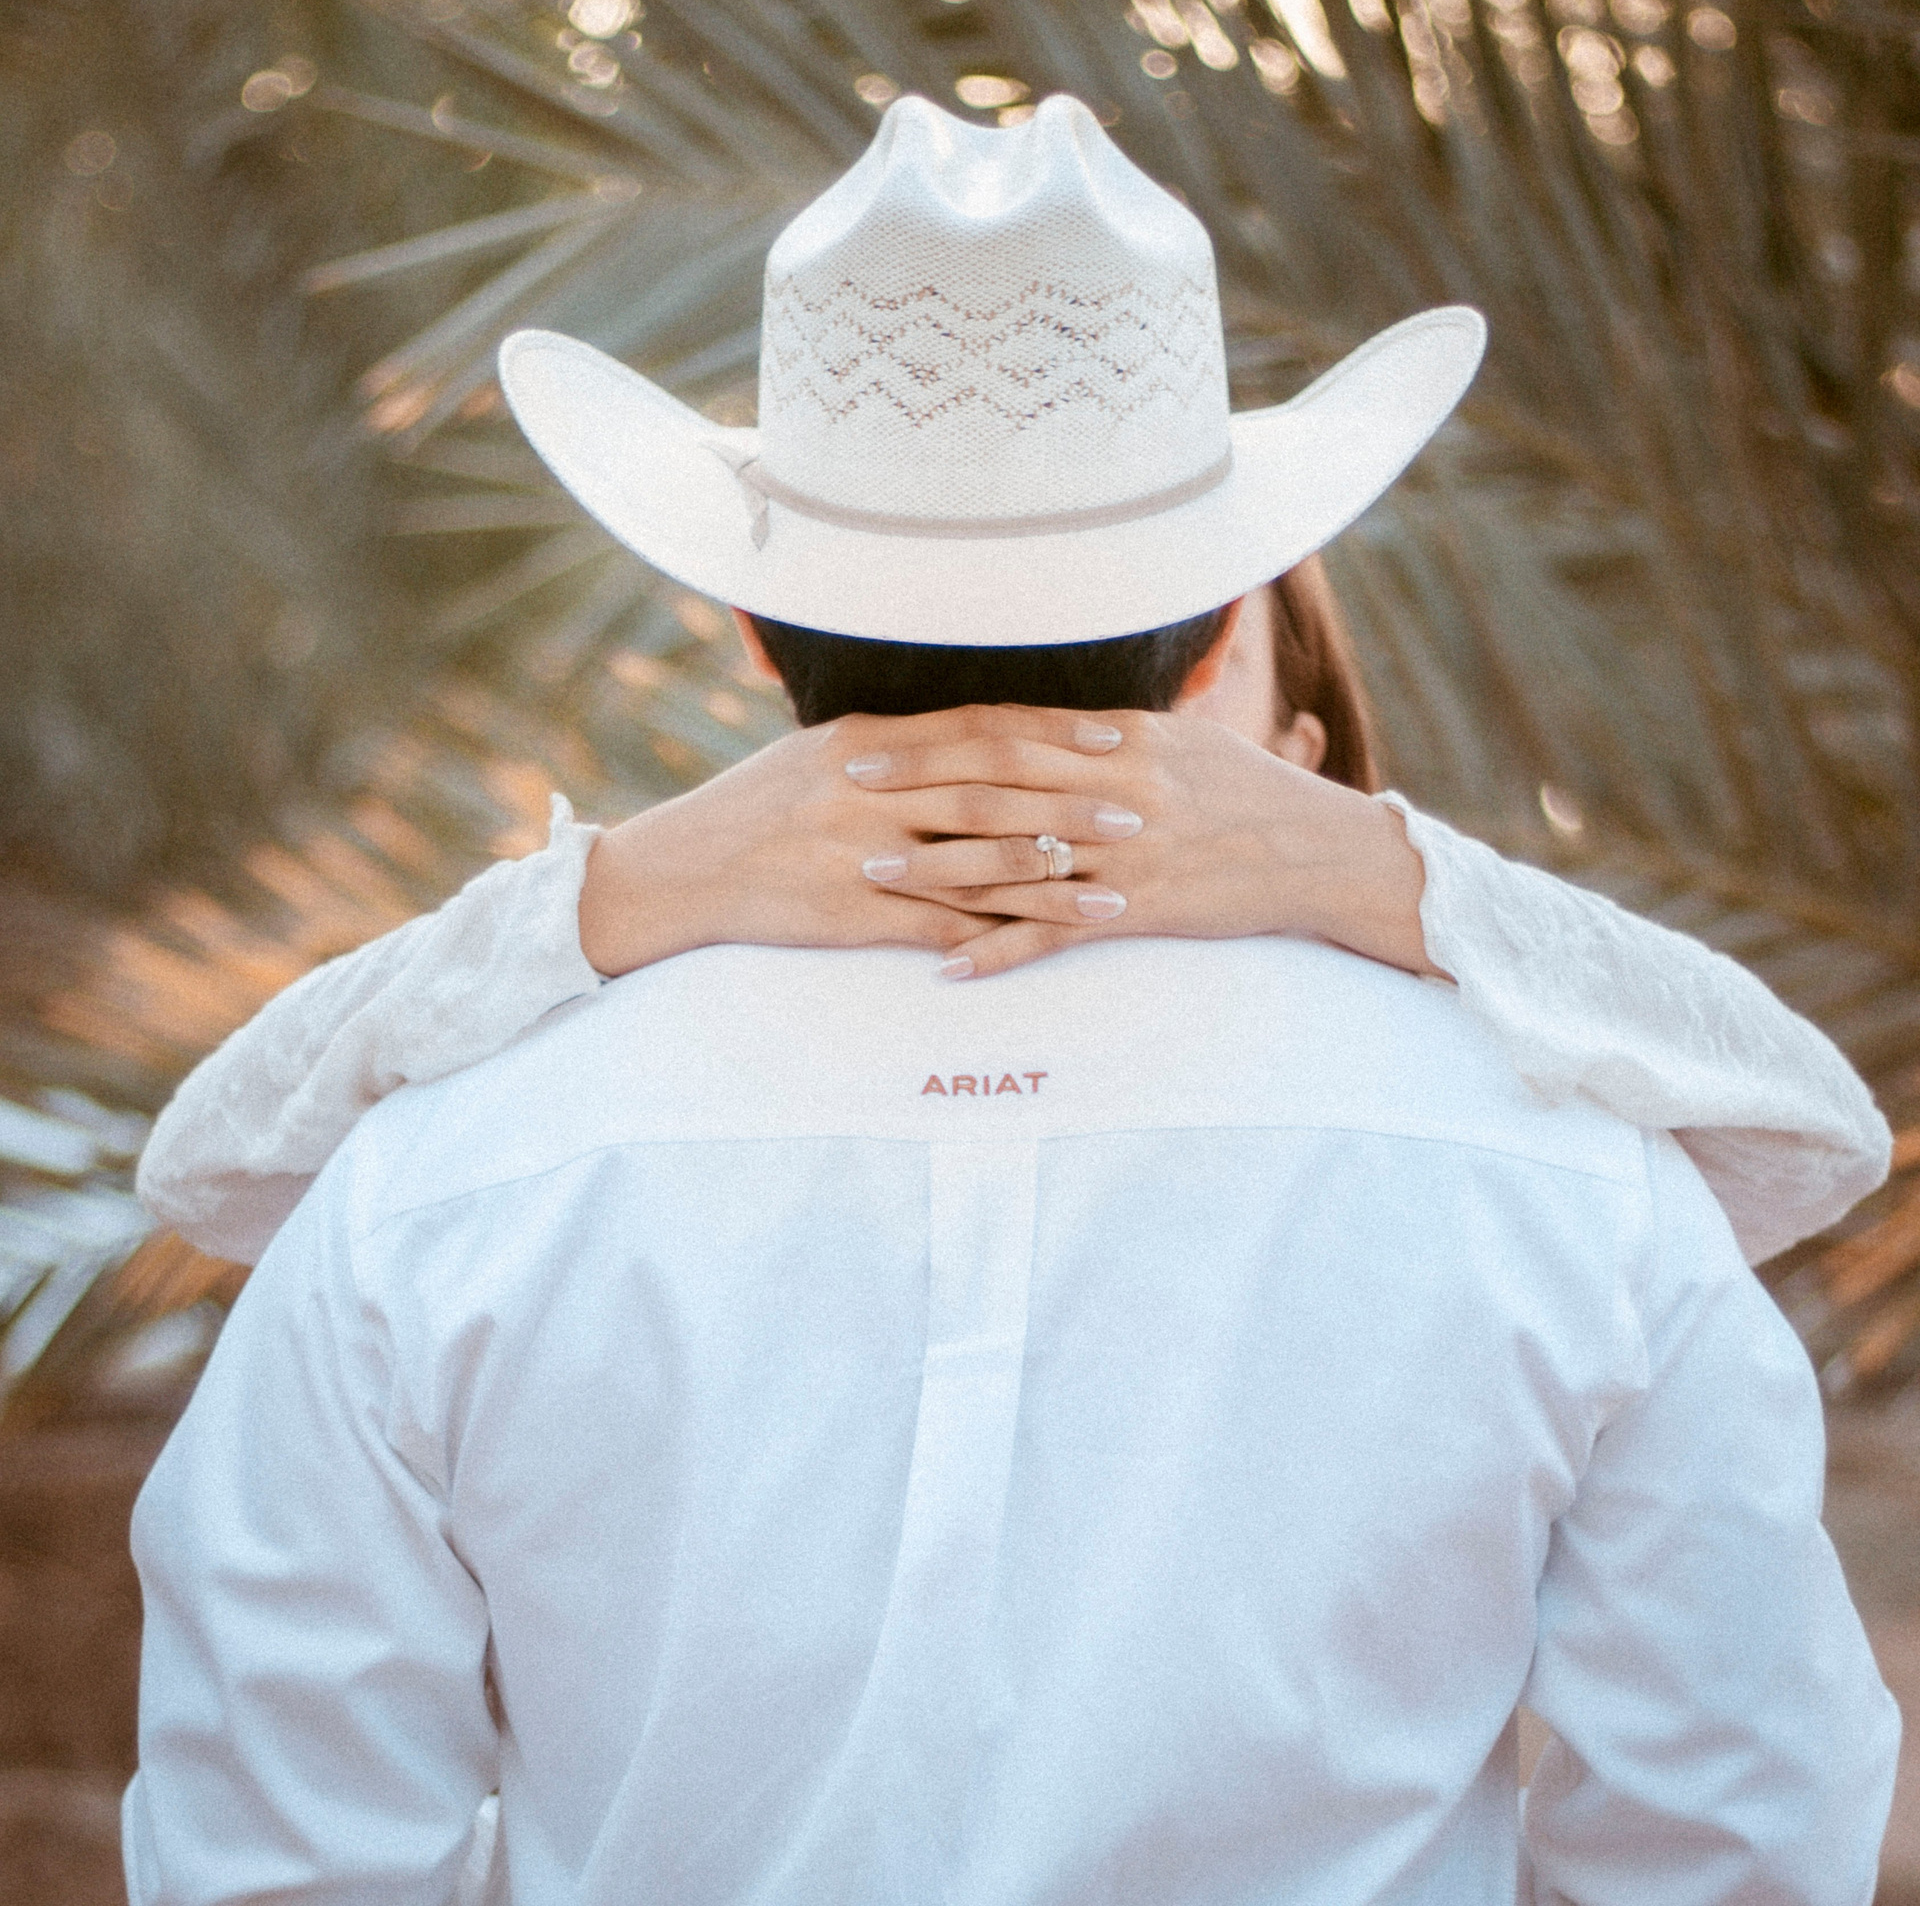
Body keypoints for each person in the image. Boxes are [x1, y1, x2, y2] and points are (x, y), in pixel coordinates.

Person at [125, 95, 1896, 1904]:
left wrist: (613, 891)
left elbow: (275, 1856)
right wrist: (1390, 874)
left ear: (747, 626)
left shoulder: (430, 1186)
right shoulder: (1576, 1179)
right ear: (1225, 630)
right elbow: (1739, 1830)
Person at [133, 566, 1887, 1271]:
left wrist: (1373, 872)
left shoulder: (1480, 1134)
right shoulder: (609, 1098)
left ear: (1298, 757)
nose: (1039, 749)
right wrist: (628, 886)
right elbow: (219, 1167)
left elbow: (1808, 1135)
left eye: (1168, 739)